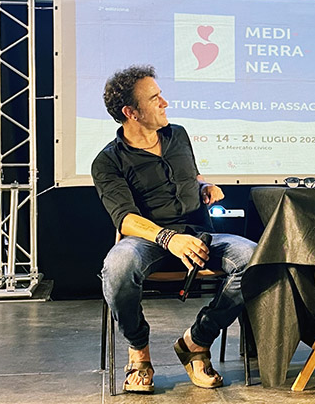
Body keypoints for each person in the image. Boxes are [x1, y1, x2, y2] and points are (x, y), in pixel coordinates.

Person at [91, 64, 256, 392]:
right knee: (117, 265)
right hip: (147, 241)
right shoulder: (108, 161)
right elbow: (125, 219)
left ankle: (196, 341)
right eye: (155, 98)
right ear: (131, 113)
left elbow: (191, 175)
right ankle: (138, 351)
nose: (164, 103)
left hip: (199, 235)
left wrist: (204, 185)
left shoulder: (178, 135)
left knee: (253, 258)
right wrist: (170, 239)